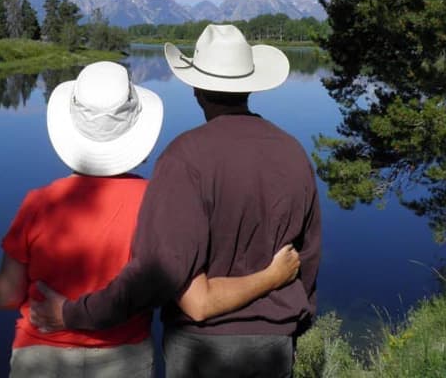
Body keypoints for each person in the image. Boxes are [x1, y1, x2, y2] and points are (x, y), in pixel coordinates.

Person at [31, 25, 323, 378]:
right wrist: (290, 321)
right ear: (250, 86)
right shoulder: (293, 153)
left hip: (203, 352)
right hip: (275, 347)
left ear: (196, 89)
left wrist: (74, 314)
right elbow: (306, 260)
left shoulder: (184, 158)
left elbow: (154, 273)